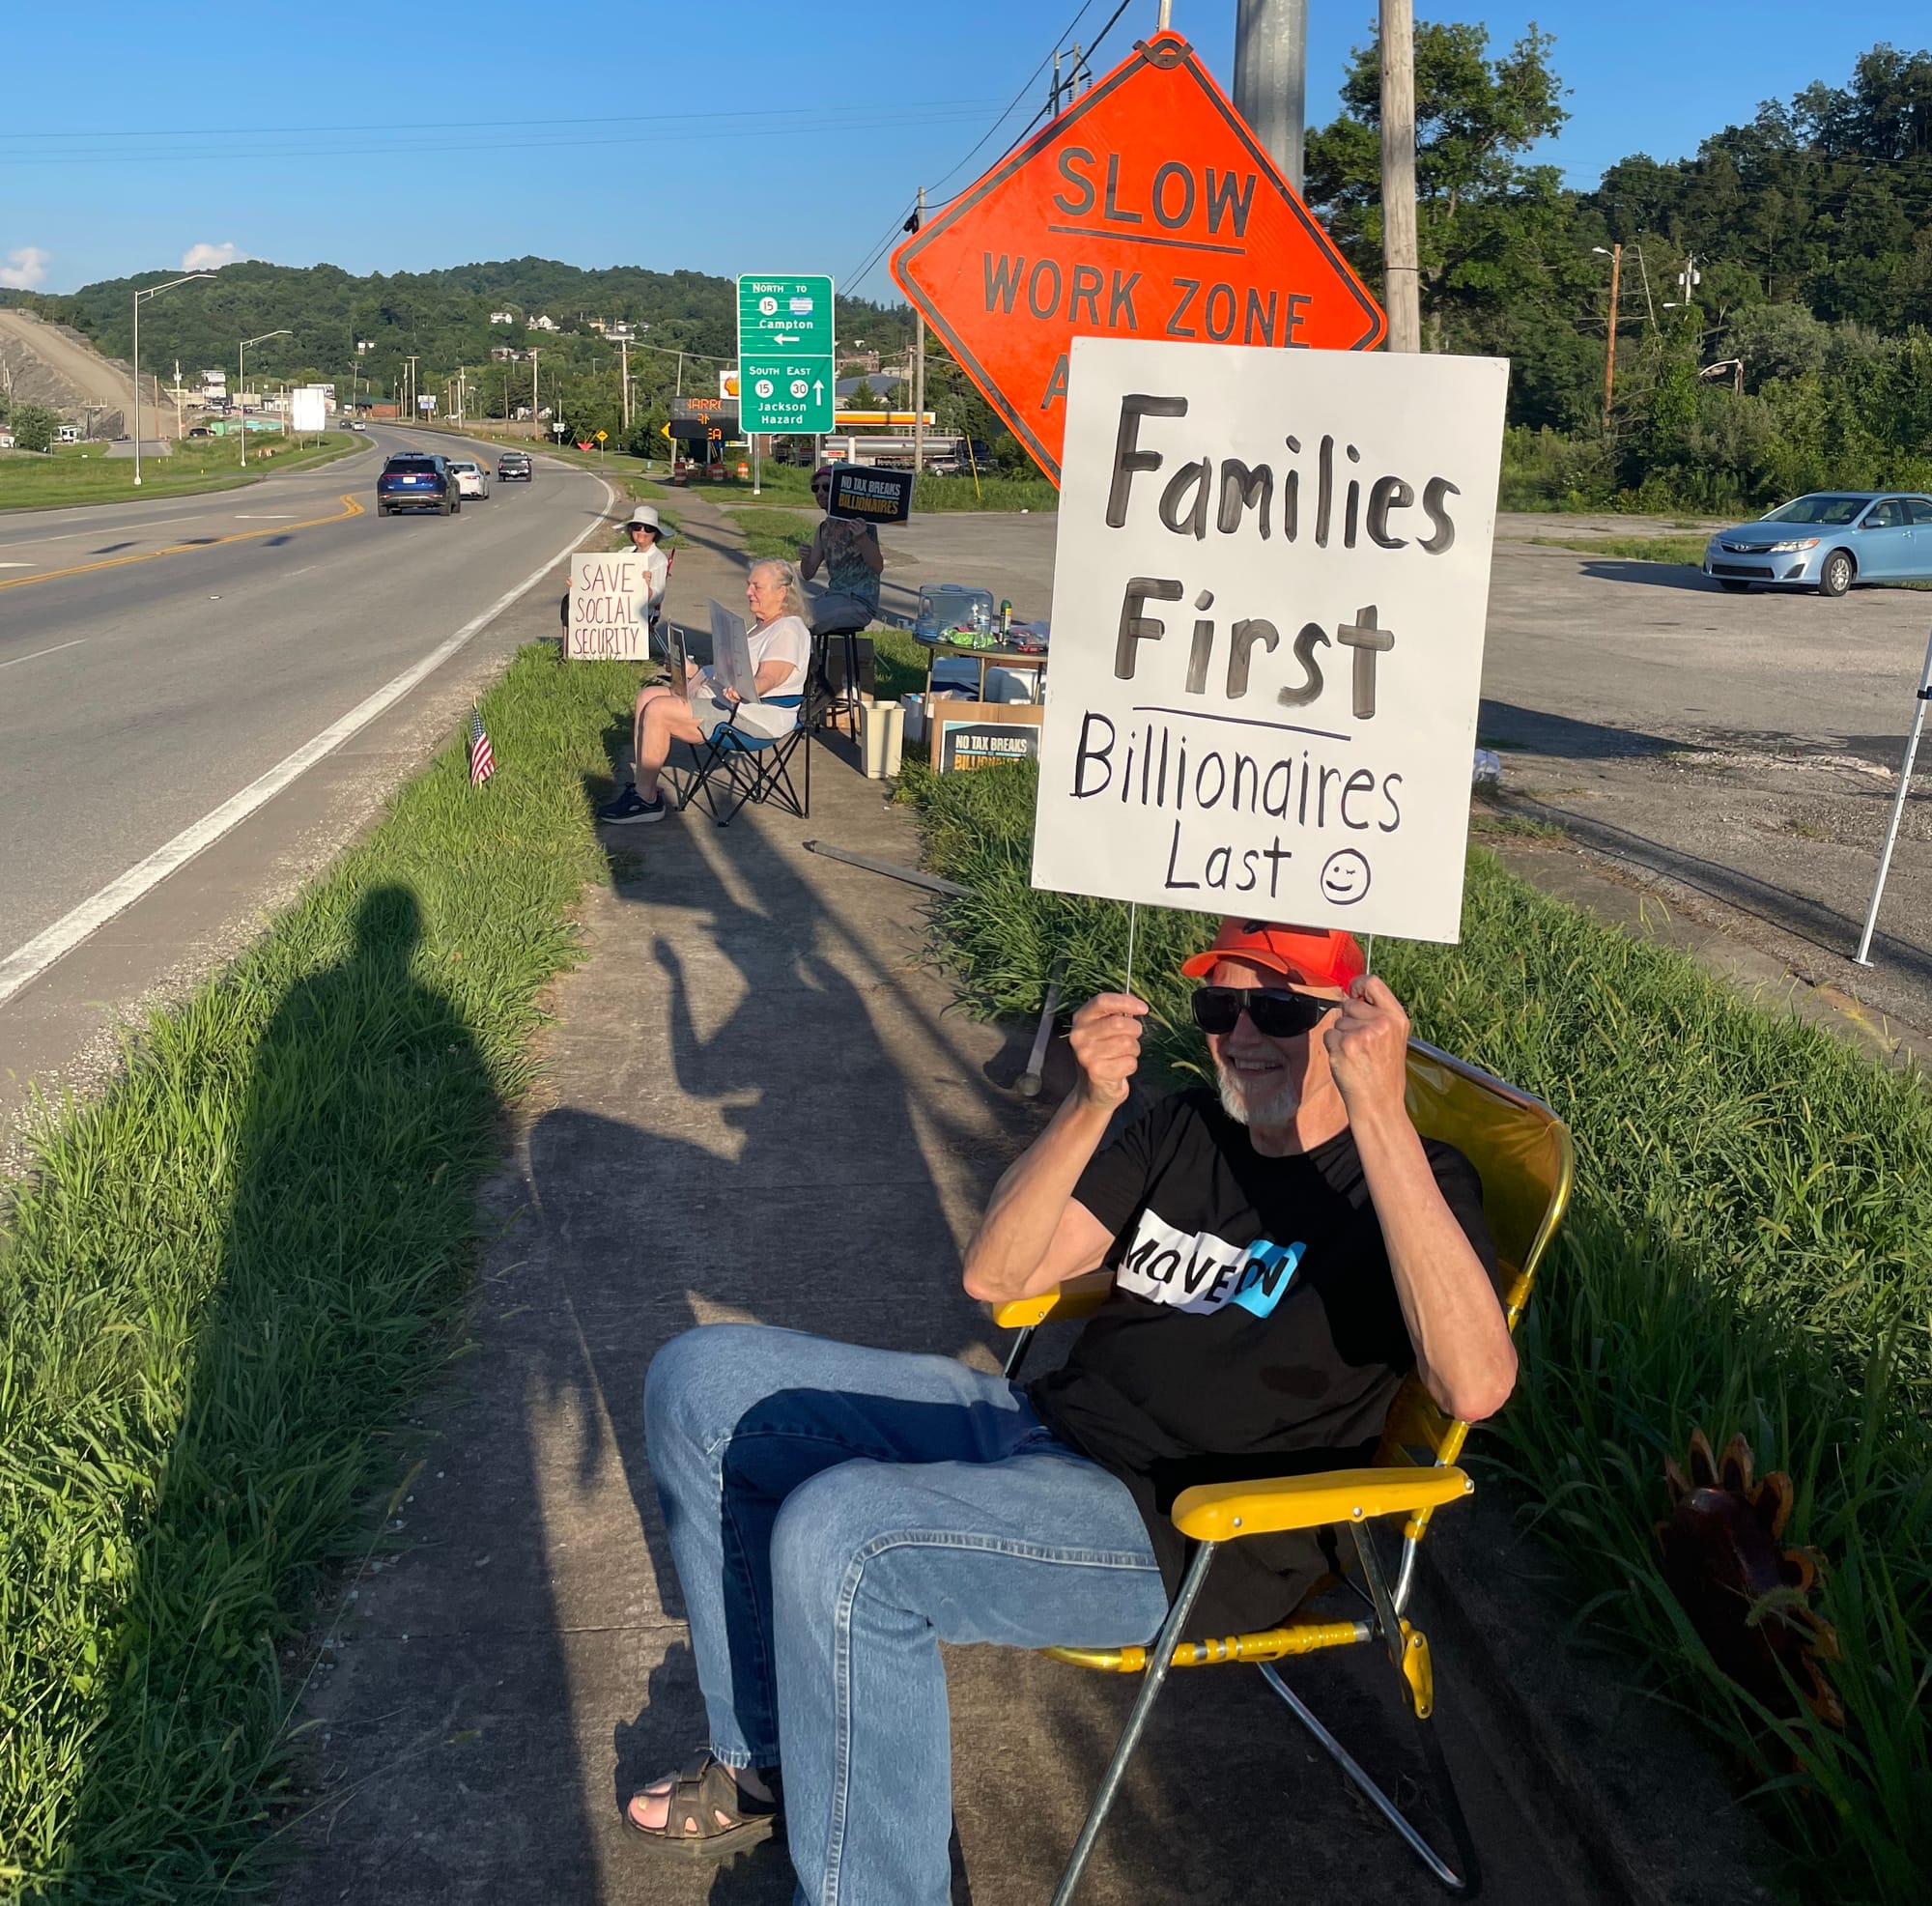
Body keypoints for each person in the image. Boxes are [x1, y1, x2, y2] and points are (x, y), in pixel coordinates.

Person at [630, 918, 1519, 1899]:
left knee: (843, 1537)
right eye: (1217, 1003)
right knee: (700, 1381)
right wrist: (1088, 1103)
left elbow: (1473, 1384)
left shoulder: (1410, 1180)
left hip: (1183, 1529)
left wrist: (1381, 1115)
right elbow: (997, 1270)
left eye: (1275, 1005)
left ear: (1348, 1023)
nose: (1241, 1031)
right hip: (1044, 1425)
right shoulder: (1179, 1124)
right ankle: (769, 1762)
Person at [595, 557, 811, 825]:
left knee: (658, 711)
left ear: (781, 592)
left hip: (756, 717)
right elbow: (730, 670)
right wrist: (692, 672)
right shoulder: (762, 625)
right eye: (748, 585)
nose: (748, 592)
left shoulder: (788, 630)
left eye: (757, 587)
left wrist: (749, 688)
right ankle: (643, 788)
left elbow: (772, 675)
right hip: (732, 705)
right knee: (647, 696)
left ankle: (646, 799)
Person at [799, 467, 884, 704]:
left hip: (859, 602)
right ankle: (810, 678)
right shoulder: (824, 529)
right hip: (834, 597)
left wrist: (861, 538)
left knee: (800, 621)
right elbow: (808, 573)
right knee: (787, 612)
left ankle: (815, 684)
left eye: (827, 487)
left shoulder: (861, 523)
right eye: (816, 488)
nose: (821, 492)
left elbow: (877, 565)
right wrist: (806, 556)